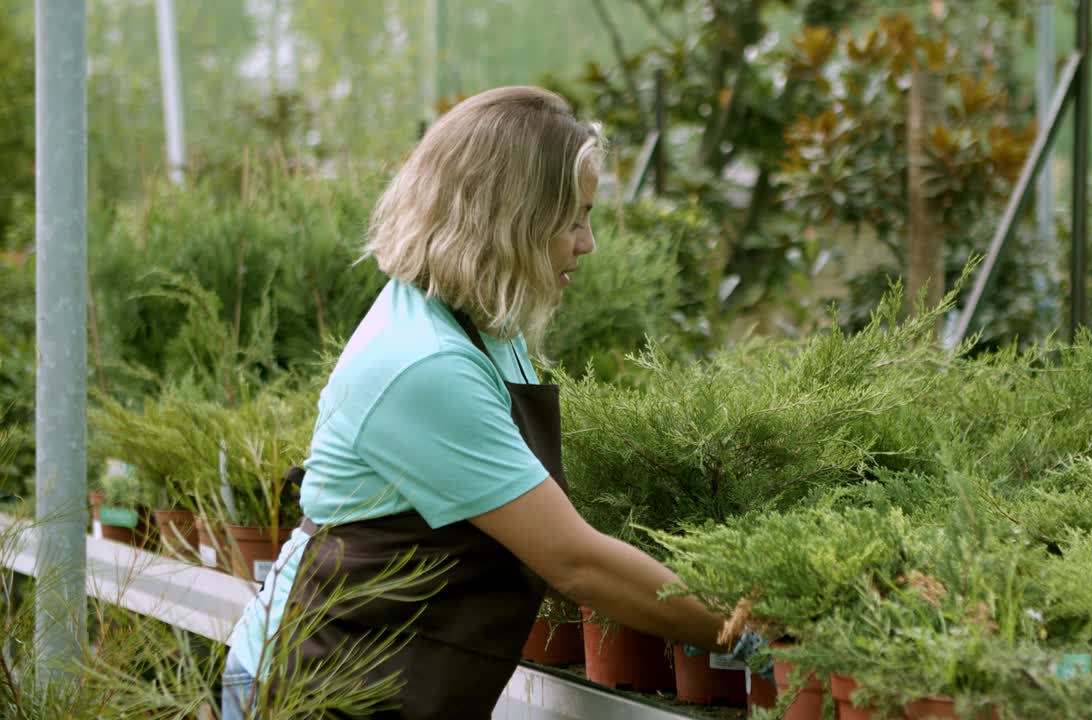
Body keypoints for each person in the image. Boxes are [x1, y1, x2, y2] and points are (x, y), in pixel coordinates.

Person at [221, 86, 754, 720]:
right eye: (574, 219)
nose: (588, 243)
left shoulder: (481, 327)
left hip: (386, 682)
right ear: (511, 218)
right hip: (315, 688)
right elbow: (573, 559)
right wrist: (744, 632)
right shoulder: (425, 363)